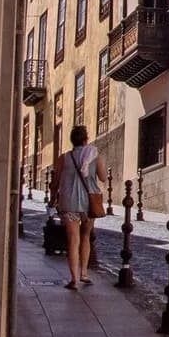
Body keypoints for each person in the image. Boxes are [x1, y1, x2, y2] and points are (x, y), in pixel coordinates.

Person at [51, 124, 107, 290]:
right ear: (85, 140)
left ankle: (73, 279)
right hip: (89, 204)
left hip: (69, 203)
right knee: (86, 236)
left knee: (73, 240)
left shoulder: (64, 158)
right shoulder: (95, 156)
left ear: (72, 141)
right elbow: (103, 178)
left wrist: (52, 199)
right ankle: (84, 272)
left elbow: (55, 183)